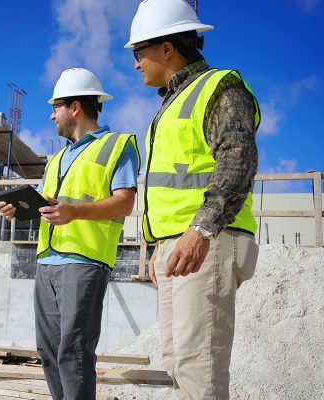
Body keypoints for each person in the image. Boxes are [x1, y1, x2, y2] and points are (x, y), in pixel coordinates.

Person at [124, 1, 260, 398]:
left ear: (167, 48)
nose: (135, 64)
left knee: (199, 370)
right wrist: (160, 245)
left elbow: (238, 158)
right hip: (179, 246)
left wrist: (199, 231)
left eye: (139, 52)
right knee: (180, 364)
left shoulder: (220, 88)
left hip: (207, 243)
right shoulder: (171, 103)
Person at [0, 68, 140, 400]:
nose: (51, 115)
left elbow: (124, 202)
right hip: (47, 261)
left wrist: (74, 211)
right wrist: (21, 209)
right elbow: (49, 205)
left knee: (73, 353)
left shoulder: (117, 146)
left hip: (85, 261)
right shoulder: (58, 156)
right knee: (48, 351)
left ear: (75, 107)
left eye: (56, 106)